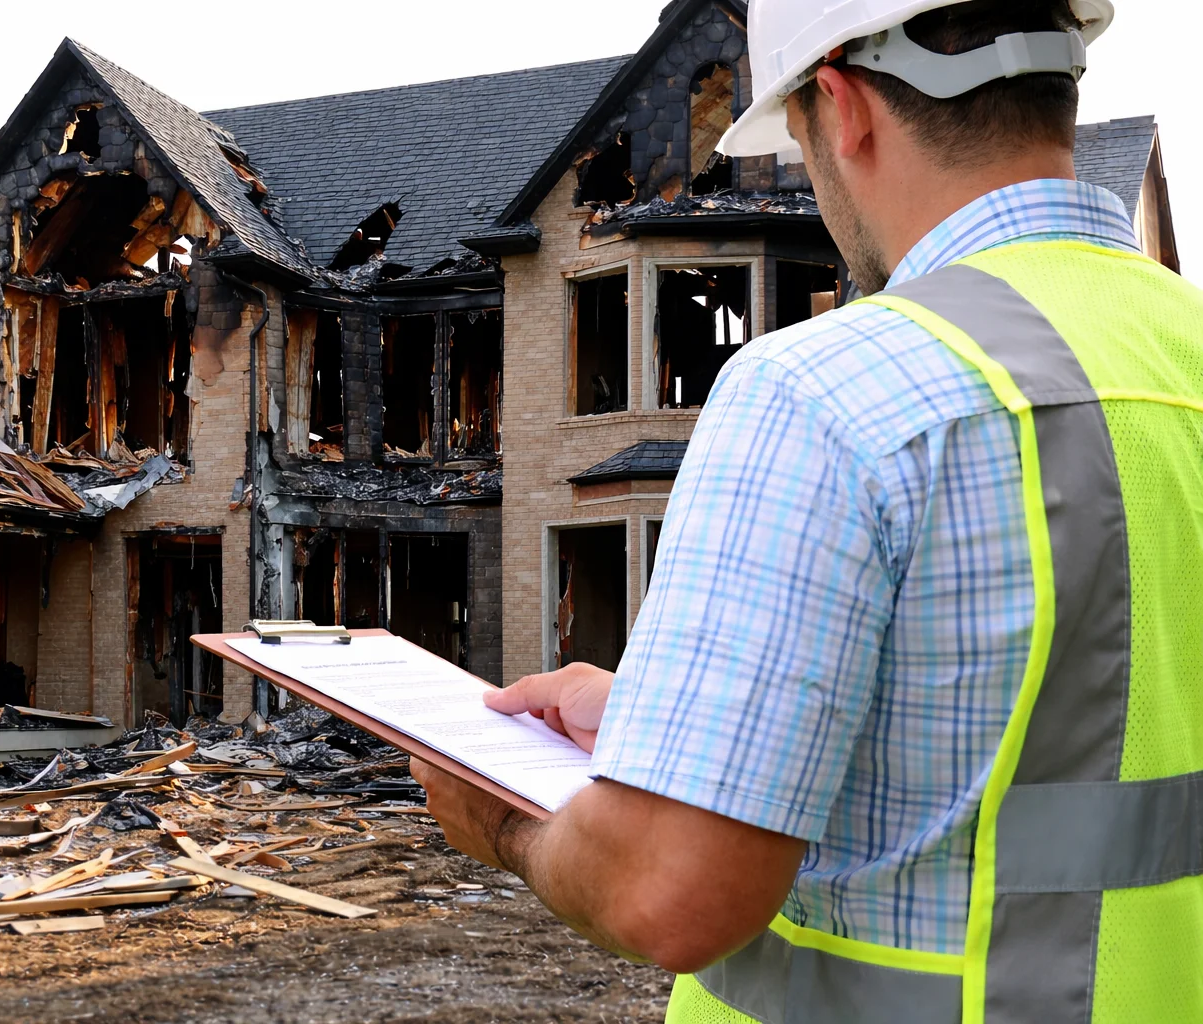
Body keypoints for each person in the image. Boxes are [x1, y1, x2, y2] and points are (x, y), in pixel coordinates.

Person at [412, 0, 1203, 1020]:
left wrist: (504, 821)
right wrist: (675, 733)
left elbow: (668, 890)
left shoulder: (831, 390)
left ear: (842, 103)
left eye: (797, 137)